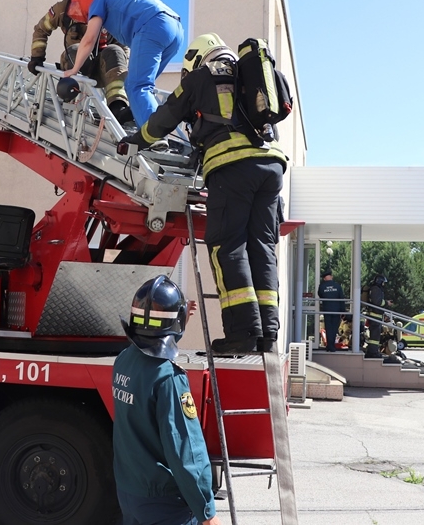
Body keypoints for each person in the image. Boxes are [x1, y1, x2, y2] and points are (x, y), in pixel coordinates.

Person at [121, 35, 287, 355]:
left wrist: (137, 139)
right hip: (272, 167)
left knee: (228, 245)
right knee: (262, 248)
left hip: (232, 166)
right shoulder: (250, 78)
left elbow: (165, 117)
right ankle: (268, 333)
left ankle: (242, 332)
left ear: (198, 58)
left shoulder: (201, 77)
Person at [111, 275, 222, 525]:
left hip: (130, 493)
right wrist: (207, 511)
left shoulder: (124, 361)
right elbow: (186, 451)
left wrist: (176, 321)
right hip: (164, 504)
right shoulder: (168, 378)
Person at [27, 0, 133, 123]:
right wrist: (37, 57)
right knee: (76, 49)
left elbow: (123, 44)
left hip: (103, 68)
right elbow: (41, 29)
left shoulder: (111, 11)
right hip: (74, 66)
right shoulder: (63, 9)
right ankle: (73, 101)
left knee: (115, 51)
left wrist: (123, 68)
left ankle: (117, 107)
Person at [70, 0, 184, 126]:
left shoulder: (98, 1)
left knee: (137, 86)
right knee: (142, 86)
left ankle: (153, 133)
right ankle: (141, 118)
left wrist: (74, 69)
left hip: (153, 26)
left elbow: (89, 39)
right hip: (175, 30)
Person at [318, 271, 347, 353]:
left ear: (324, 278)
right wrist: (343, 311)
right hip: (336, 311)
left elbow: (320, 295)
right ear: (331, 277)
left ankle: (329, 346)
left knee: (328, 328)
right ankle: (331, 346)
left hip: (327, 310)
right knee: (334, 328)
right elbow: (341, 299)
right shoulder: (337, 286)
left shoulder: (322, 286)